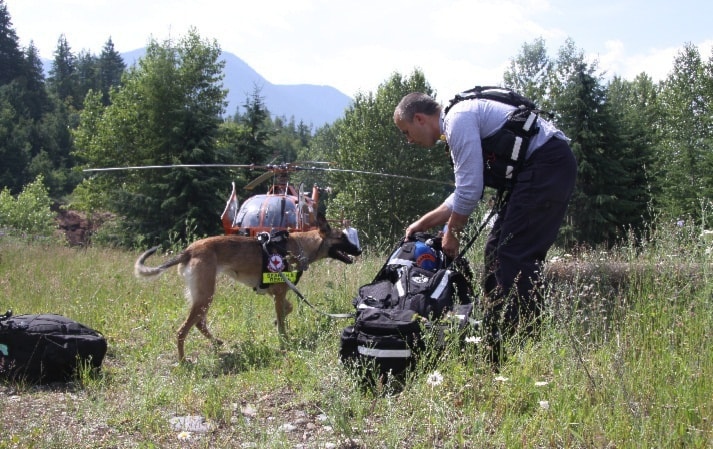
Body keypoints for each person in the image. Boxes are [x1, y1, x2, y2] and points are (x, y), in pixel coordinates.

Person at [393, 91, 577, 355]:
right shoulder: (458, 120)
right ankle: (497, 330)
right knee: (495, 252)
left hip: (548, 164)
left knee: (514, 255)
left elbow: (470, 190)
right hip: (540, 168)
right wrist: (423, 223)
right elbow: (464, 192)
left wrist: (452, 233)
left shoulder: (458, 120)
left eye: (406, 131)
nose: (408, 140)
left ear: (419, 118)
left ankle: (519, 344)